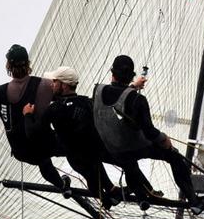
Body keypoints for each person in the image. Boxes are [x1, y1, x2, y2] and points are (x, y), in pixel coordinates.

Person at [93, 55, 204, 213]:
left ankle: (141, 196)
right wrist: (164, 139)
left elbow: (115, 95)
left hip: (112, 149)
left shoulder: (97, 90)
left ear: (112, 73)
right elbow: (150, 132)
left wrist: (132, 87)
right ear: (132, 75)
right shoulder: (138, 100)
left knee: (129, 164)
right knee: (175, 157)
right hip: (135, 147)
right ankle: (194, 202)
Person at [24, 66, 157, 208]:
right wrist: (133, 87)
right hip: (96, 152)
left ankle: (108, 197)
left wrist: (27, 115)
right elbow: (115, 100)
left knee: (95, 181)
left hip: (78, 159)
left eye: (55, 82)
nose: (52, 85)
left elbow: (33, 133)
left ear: (63, 85)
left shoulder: (54, 109)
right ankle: (141, 195)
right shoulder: (87, 103)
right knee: (127, 161)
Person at [0, 44, 70, 193]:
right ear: (28, 64)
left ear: (8, 66)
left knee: (43, 162)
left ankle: (62, 186)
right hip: (47, 145)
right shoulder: (46, 85)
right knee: (74, 147)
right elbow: (67, 92)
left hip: (22, 152)